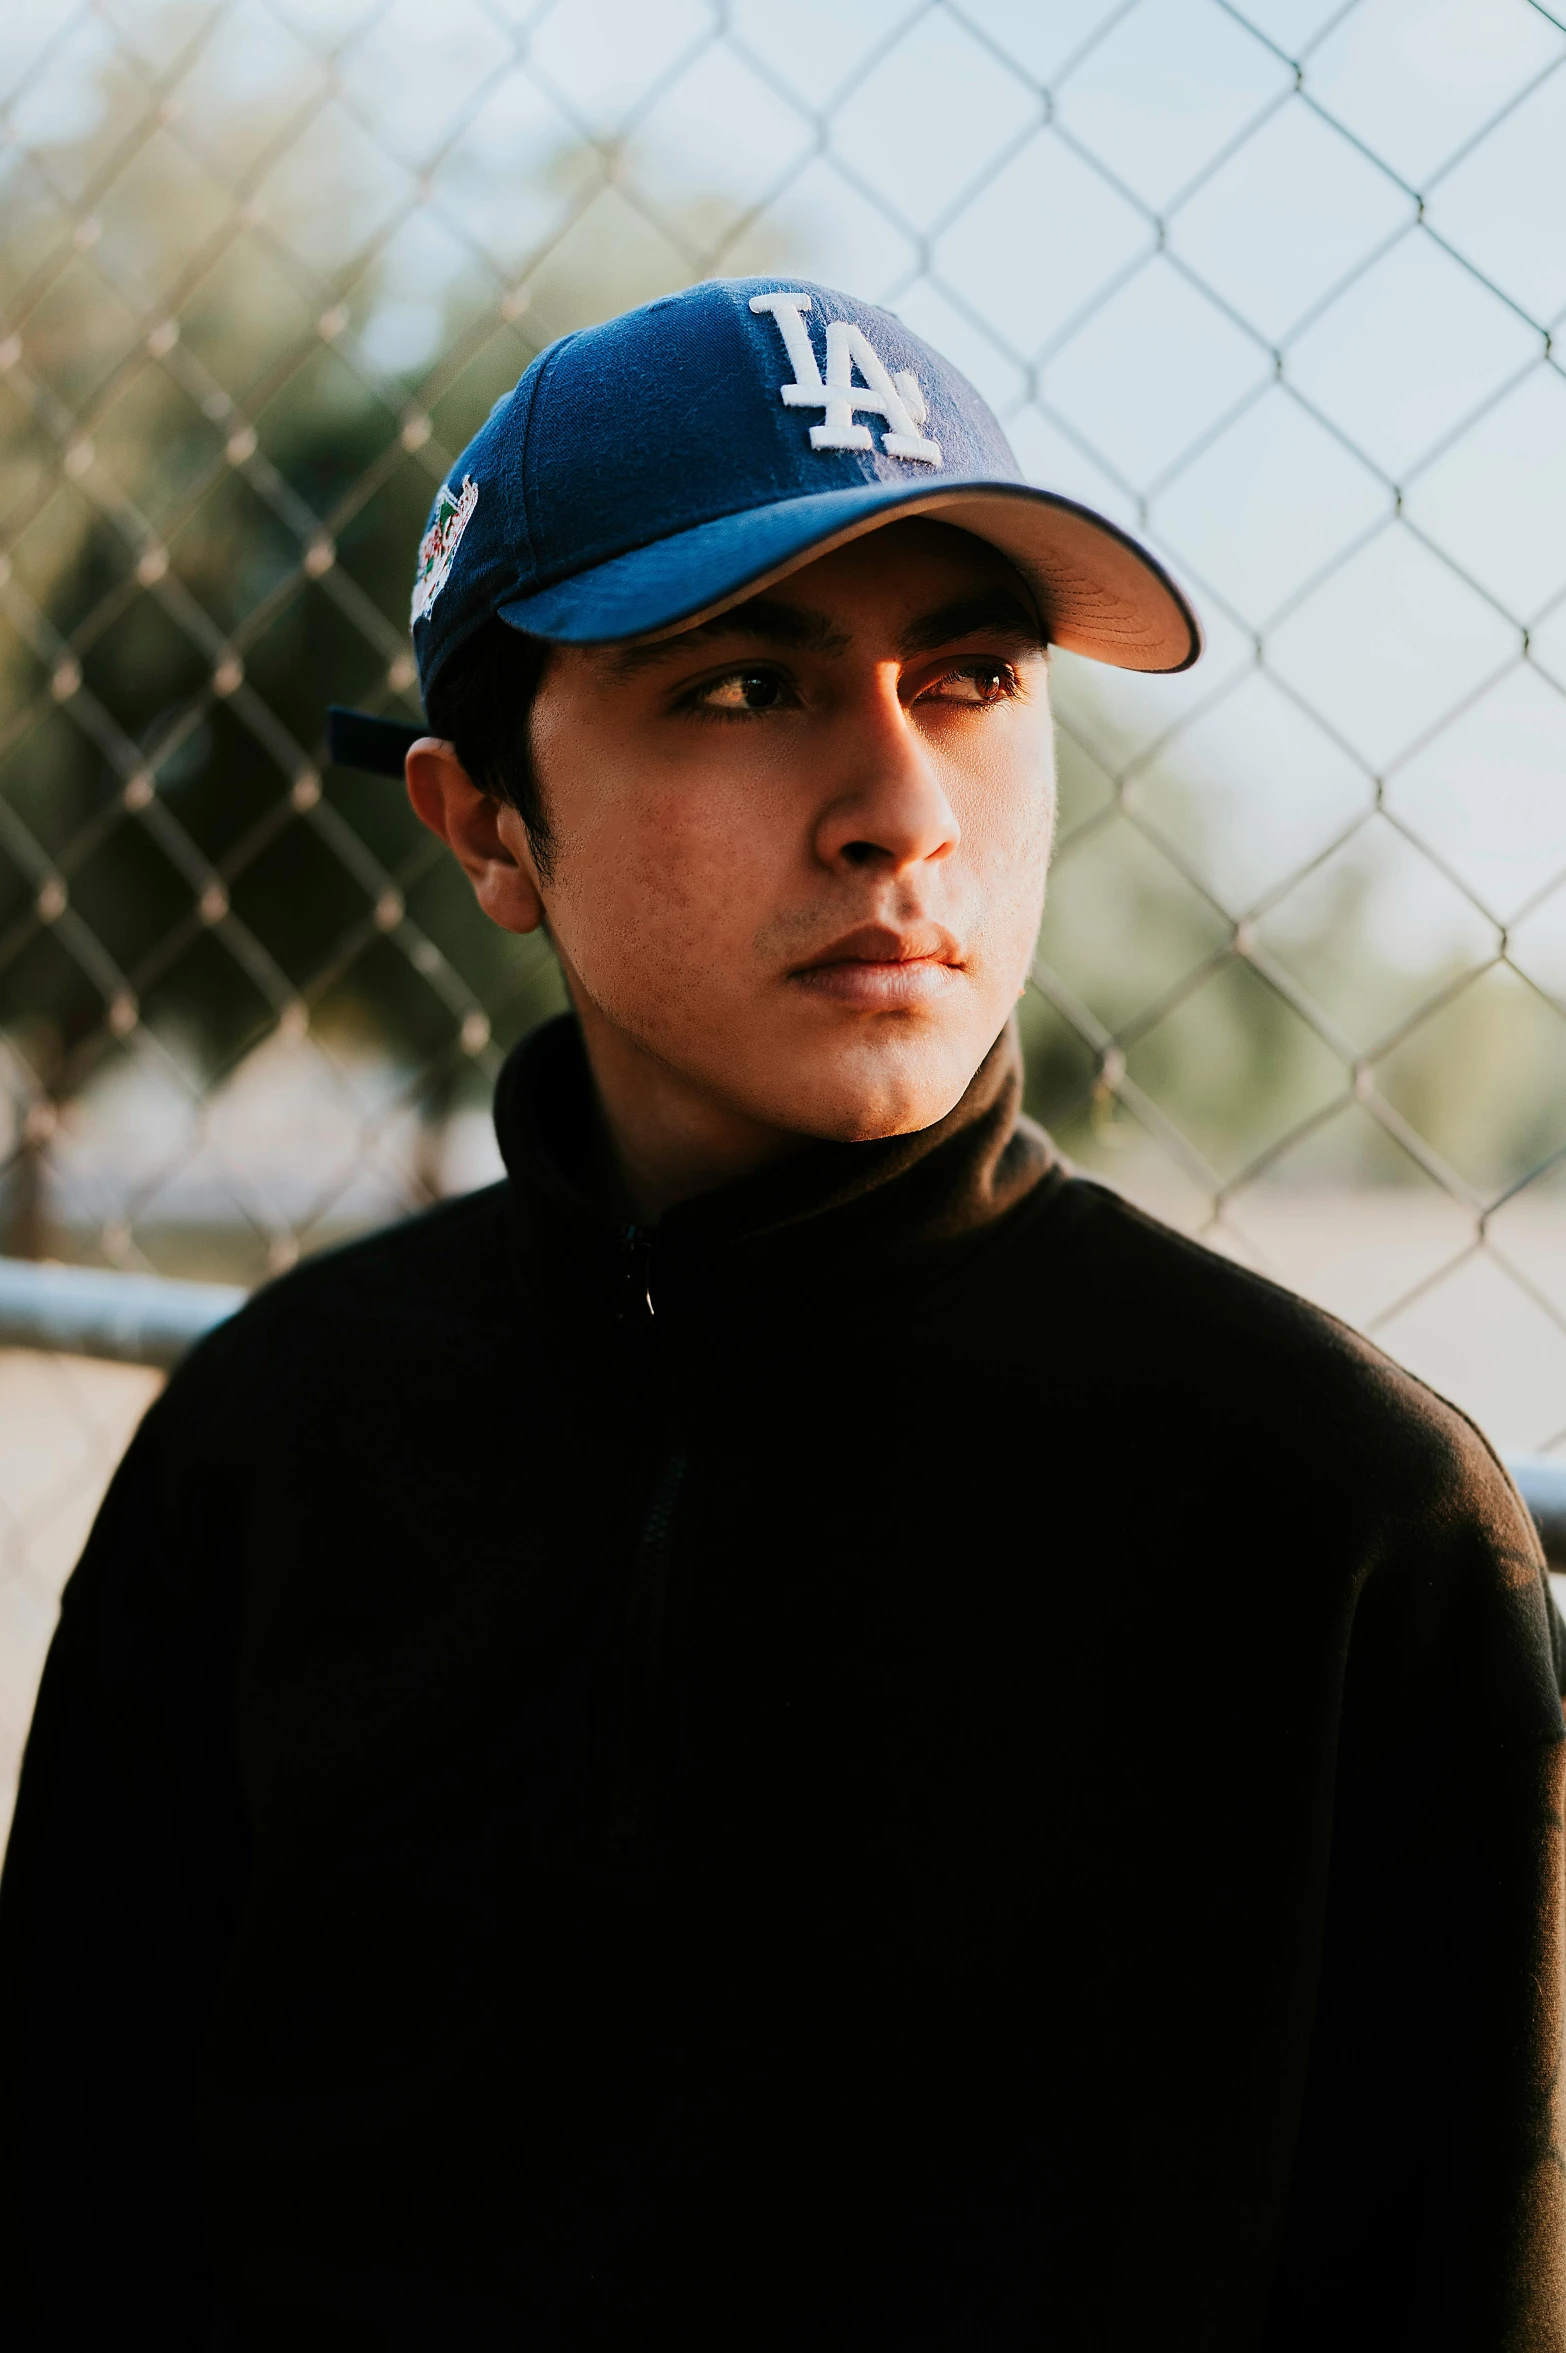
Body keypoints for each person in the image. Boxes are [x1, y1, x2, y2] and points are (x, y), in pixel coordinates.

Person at [0, 277, 1562, 2351]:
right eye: (744, 687)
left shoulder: (1342, 1520)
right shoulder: (275, 1444)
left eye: (976, 676)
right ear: (484, 824)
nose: (901, 806)